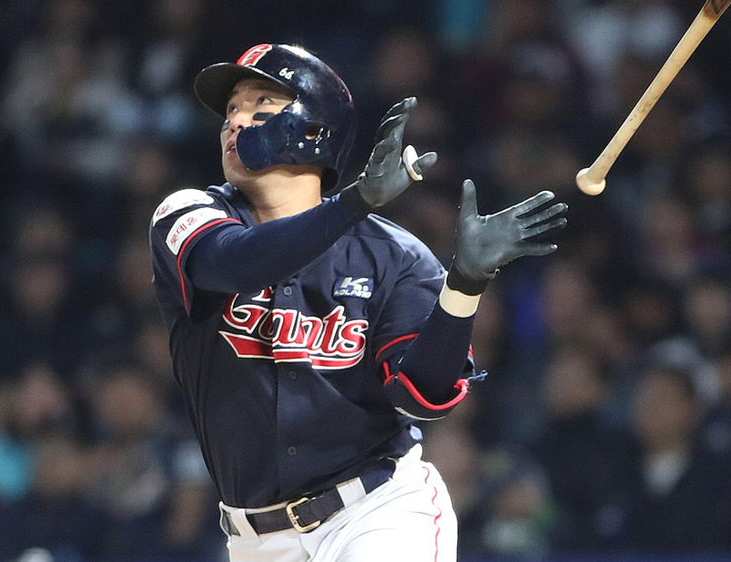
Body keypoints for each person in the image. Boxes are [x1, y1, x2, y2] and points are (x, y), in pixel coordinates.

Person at [148, 43, 568, 562]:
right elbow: (235, 263)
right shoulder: (188, 212)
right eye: (231, 109)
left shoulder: (396, 255)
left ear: (314, 131)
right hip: (253, 538)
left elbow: (421, 397)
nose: (235, 121)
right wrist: (355, 202)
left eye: (260, 104)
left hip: (377, 514)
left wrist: (464, 284)